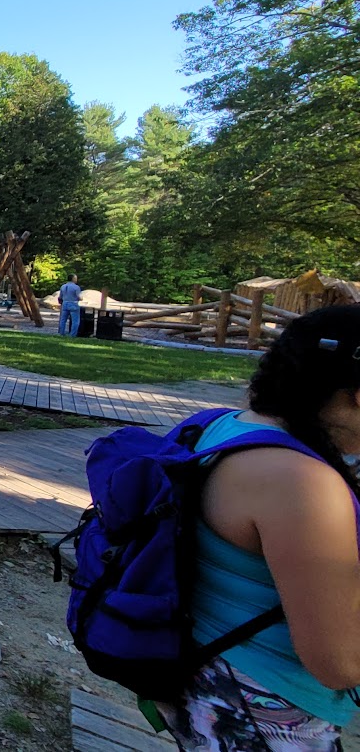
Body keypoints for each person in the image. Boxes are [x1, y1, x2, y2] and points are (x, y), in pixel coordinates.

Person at [159, 304, 360, 750]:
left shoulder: (226, 426)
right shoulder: (302, 483)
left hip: (204, 674)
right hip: (267, 709)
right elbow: (339, 663)